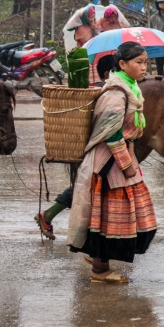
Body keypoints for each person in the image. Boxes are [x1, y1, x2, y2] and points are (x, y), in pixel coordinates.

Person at [66, 42, 156, 284]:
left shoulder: (130, 89)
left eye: (145, 62)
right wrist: (127, 164)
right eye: (138, 62)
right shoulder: (116, 93)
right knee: (107, 218)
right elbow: (112, 133)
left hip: (120, 159)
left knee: (110, 218)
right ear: (122, 65)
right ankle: (99, 270)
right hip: (109, 163)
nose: (144, 67)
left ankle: (99, 261)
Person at [35, 55, 117, 240]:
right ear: (108, 73)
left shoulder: (103, 92)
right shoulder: (104, 94)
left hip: (95, 148)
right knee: (89, 187)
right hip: (98, 150)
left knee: (88, 187)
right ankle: (49, 216)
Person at [149, 0, 164, 75]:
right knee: (159, 64)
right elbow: (150, 31)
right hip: (158, 43)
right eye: (160, 3)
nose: (162, 4)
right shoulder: (153, 17)